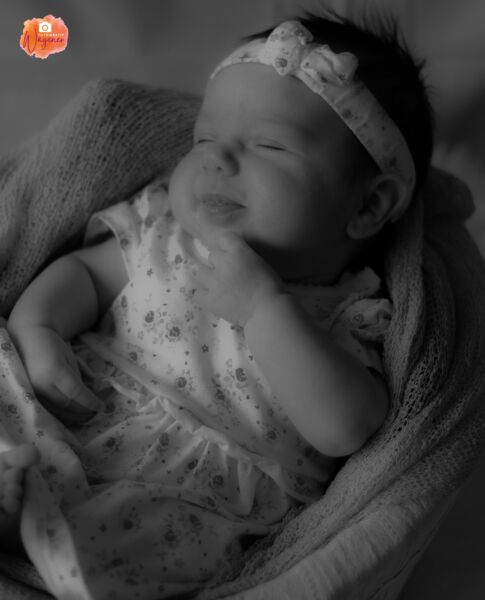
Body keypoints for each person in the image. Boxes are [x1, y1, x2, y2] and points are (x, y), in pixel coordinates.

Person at [0, 13, 433, 599]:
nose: (216, 161)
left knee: (150, 534)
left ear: (367, 206)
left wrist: (265, 307)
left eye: (269, 145)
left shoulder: (346, 313)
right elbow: (83, 274)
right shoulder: (165, 232)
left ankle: (36, 529)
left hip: (185, 487)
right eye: (204, 139)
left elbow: (346, 427)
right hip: (74, 406)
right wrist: (40, 330)